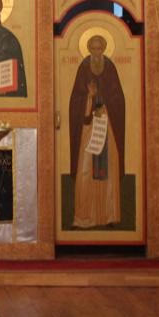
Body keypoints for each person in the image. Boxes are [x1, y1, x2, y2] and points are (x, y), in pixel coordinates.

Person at [68, 34, 126, 229]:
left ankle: (108, 216)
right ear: (88, 50)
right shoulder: (83, 68)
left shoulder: (110, 68)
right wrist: (89, 98)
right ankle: (83, 217)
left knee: (108, 169)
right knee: (85, 170)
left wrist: (105, 105)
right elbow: (76, 98)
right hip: (88, 127)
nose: (96, 52)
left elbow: (118, 97)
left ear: (103, 49)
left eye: (99, 48)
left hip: (107, 125)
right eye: (92, 49)